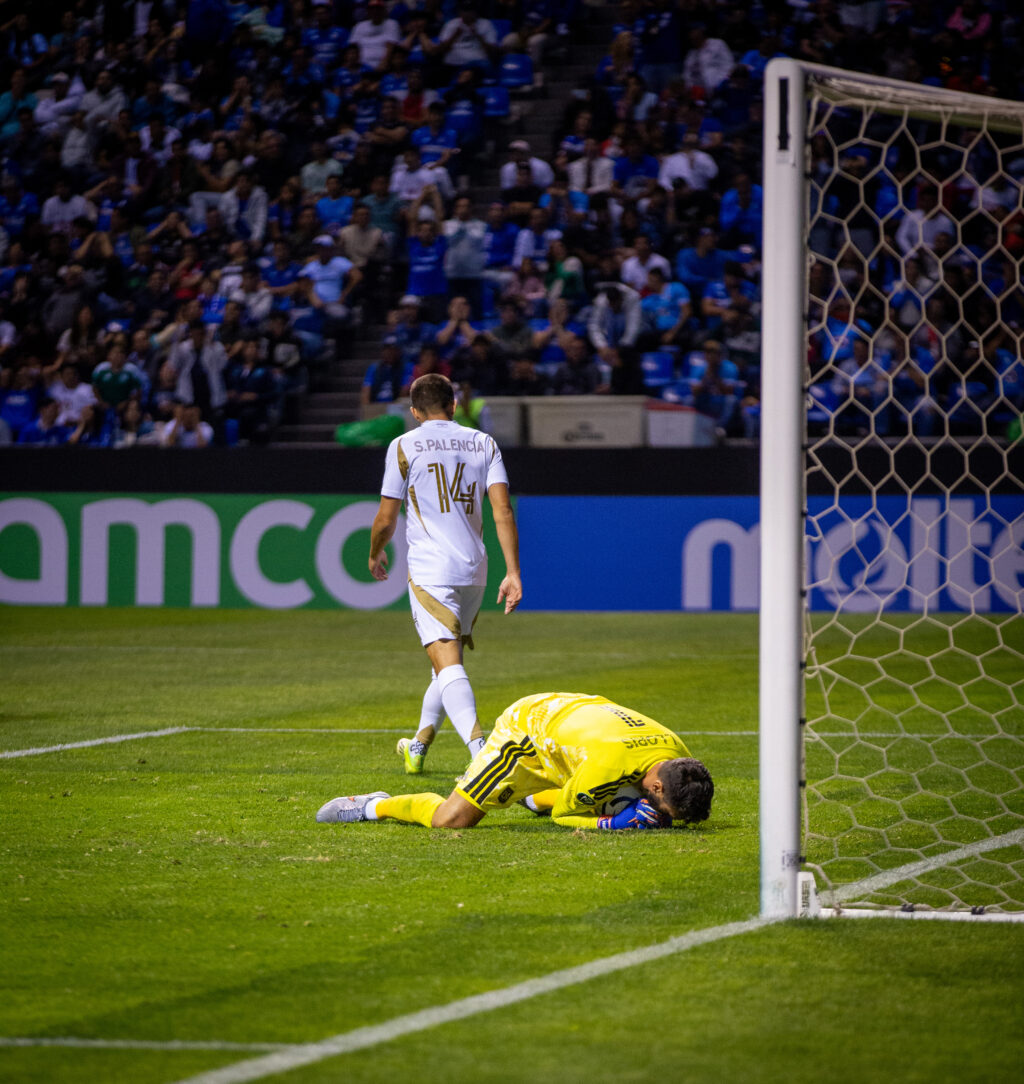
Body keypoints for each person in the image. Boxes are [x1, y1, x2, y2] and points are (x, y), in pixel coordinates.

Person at [367, 373, 522, 776]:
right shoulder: (483, 442)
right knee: (444, 660)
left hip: (432, 571)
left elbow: (386, 517)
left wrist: (375, 552)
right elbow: (502, 510)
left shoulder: (404, 445)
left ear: (414, 412)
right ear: (454, 405)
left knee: (448, 663)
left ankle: (482, 756)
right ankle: (419, 744)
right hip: (476, 570)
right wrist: (513, 571)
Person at [315, 690, 714, 830]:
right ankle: (371, 806)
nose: (662, 819)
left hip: (575, 718)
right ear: (658, 786)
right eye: (665, 811)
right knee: (451, 820)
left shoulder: (679, 755)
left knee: (617, 794)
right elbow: (565, 817)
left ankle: (527, 797)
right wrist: (607, 823)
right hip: (528, 732)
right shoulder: (604, 768)